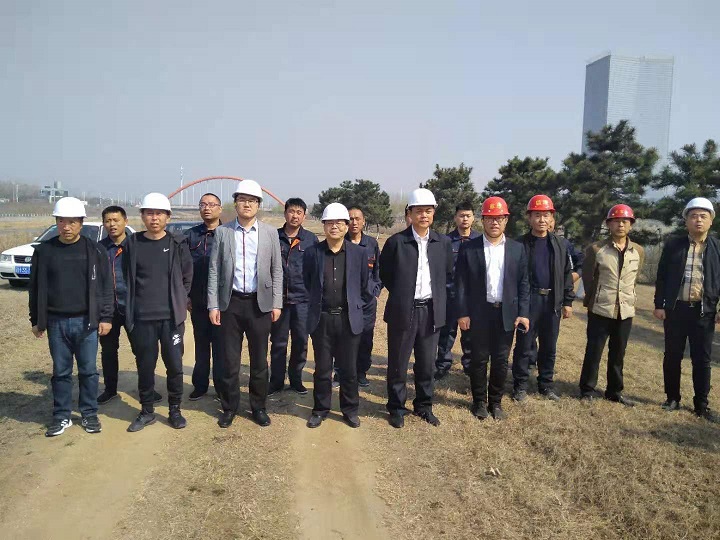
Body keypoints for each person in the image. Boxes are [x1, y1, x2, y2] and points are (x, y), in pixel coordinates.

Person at [29, 197, 113, 436]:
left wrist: (106, 317)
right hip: (56, 323)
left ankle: (89, 414)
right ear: (57, 222)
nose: (66, 227)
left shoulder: (94, 250)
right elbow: (35, 288)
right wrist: (35, 319)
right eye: (61, 221)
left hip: (86, 322)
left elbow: (106, 286)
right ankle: (61, 416)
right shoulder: (44, 251)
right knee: (61, 372)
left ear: (81, 223)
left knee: (88, 371)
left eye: (72, 222)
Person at [207, 179, 283, 428]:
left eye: (252, 200)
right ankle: (229, 407)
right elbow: (214, 270)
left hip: (259, 304)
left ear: (258, 205)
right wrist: (213, 305)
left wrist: (277, 303)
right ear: (236, 203)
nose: (247, 204)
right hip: (231, 304)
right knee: (230, 361)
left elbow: (277, 270)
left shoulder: (270, 233)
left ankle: (258, 407)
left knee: (259, 360)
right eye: (242, 200)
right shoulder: (223, 232)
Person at [379, 188, 453, 428]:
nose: (423, 215)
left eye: (428, 211)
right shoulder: (396, 242)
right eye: (418, 211)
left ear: (434, 213)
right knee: (398, 363)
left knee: (426, 364)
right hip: (403, 310)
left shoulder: (443, 243)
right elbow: (386, 274)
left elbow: (447, 274)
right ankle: (396, 408)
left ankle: (424, 405)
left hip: (431, 311)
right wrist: (403, 294)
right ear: (409, 213)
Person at [455, 196, 530, 420]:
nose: (494, 222)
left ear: (506, 220)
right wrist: (462, 313)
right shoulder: (470, 248)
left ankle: (495, 402)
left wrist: (523, 313)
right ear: (483, 220)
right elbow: (460, 284)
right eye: (490, 218)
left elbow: (524, 284)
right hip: (479, 313)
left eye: (499, 218)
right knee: (478, 359)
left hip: (506, 313)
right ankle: (479, 401)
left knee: (500, 360)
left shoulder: (517, 249)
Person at [124, 193, 193, 432]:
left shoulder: (177, 244)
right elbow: (126, 277)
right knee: (145, 366)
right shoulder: (132, 244)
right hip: (142, 318)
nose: (154, 218)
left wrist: (179, 300)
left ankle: (175, 410)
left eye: (159, 214)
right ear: (142, 216)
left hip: (171, 319)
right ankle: (146, 411)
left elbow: (187, 277)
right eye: (150, 213)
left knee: (174, 365)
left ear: (168, 217)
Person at [304, 203, 371, 428]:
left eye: (339, 222)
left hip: (348, 319)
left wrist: (356, 307)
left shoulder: (359, 253)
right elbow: (308, 282)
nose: (334, 226)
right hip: (321, 319)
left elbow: (364, 286)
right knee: (322, 369)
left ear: (347, 225)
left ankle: (350, 410)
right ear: (323, 225)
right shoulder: (313, 252)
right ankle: (320, 409)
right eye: (329, 222)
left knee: (349, 369)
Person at [654, 197, 720, 423]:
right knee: (672, 356)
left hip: (704, 312)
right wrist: (659, 304)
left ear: (711, 221)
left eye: (703, 216)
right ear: (686, 221)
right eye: (693, 216)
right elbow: (662, 277)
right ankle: (672, 398)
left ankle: (701, 404)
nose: (698, 220)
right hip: (676, 310)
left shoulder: (717, 248)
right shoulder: (674, 245)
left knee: (702, 360)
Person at [578, 204, 644, 406]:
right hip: (601, 308)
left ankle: (614, 391)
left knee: (618, 353)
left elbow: (634, 279)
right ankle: (587, 389)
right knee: (594, 351)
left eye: (625, 221)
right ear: (608, 224)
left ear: (631, 225)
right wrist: (593, 300)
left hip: (625, 310)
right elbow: (588, 279)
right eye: (616, 221)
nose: (620, 225)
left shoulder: (638, 251)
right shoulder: (596, 249)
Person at [511, 195, 574, 403]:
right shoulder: (519, 244)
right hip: (529, 301)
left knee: (549, 346)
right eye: (537, 215)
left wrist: (567, 301)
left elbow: (566, 274)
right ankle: (520, 385)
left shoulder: (560, 244)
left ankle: (546, 384)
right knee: (524, 346)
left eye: (546, 215)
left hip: (552, 302)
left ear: (552, 218)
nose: (541, 220)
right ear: (529, 218)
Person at [269, 198, 318, 396]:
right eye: (291, 211)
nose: (295, 216)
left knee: (300, 342)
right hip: (279, 301)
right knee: (278, 343)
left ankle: (296, 379)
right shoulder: (274, 237)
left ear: (304, 216)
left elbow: (316, 270)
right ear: (285, 213)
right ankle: (276, 381)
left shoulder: (310, 240)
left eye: (299, 212)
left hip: (303, 301)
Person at [434, 201, 480, 380]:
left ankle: (469, 365)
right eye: (461, 215)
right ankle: (443, 364)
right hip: (450, 295)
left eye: (468, 215)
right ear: (455, 218)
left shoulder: (479, 241)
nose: (465, 219)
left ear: (474, 218)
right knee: (446, 334)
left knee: (470, 334)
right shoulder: (446, 241)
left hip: (471, 297)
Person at [185, 193, 224, 401]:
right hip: (198, 302)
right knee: (201, 345)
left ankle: (221, 386)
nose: (207, 208)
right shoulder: (190, 236)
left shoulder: (228, 234)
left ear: (220, 208)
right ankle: (200, 385)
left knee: (221, 347)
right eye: (203, 204)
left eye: (211, 204)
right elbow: (182, 268)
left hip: (223, 303)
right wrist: (186, 296)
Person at [346, 206, 382, 387]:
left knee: (365, 338)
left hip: (367, 301)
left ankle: (361, 372)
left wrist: (375, 289)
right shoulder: (340, 242)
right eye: (350, 219)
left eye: (357, 219)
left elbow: (379, 270)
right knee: (344, 337)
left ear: (363, 221)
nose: (354, 222)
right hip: (345, 299)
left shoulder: (371, 244)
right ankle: (342, 372)